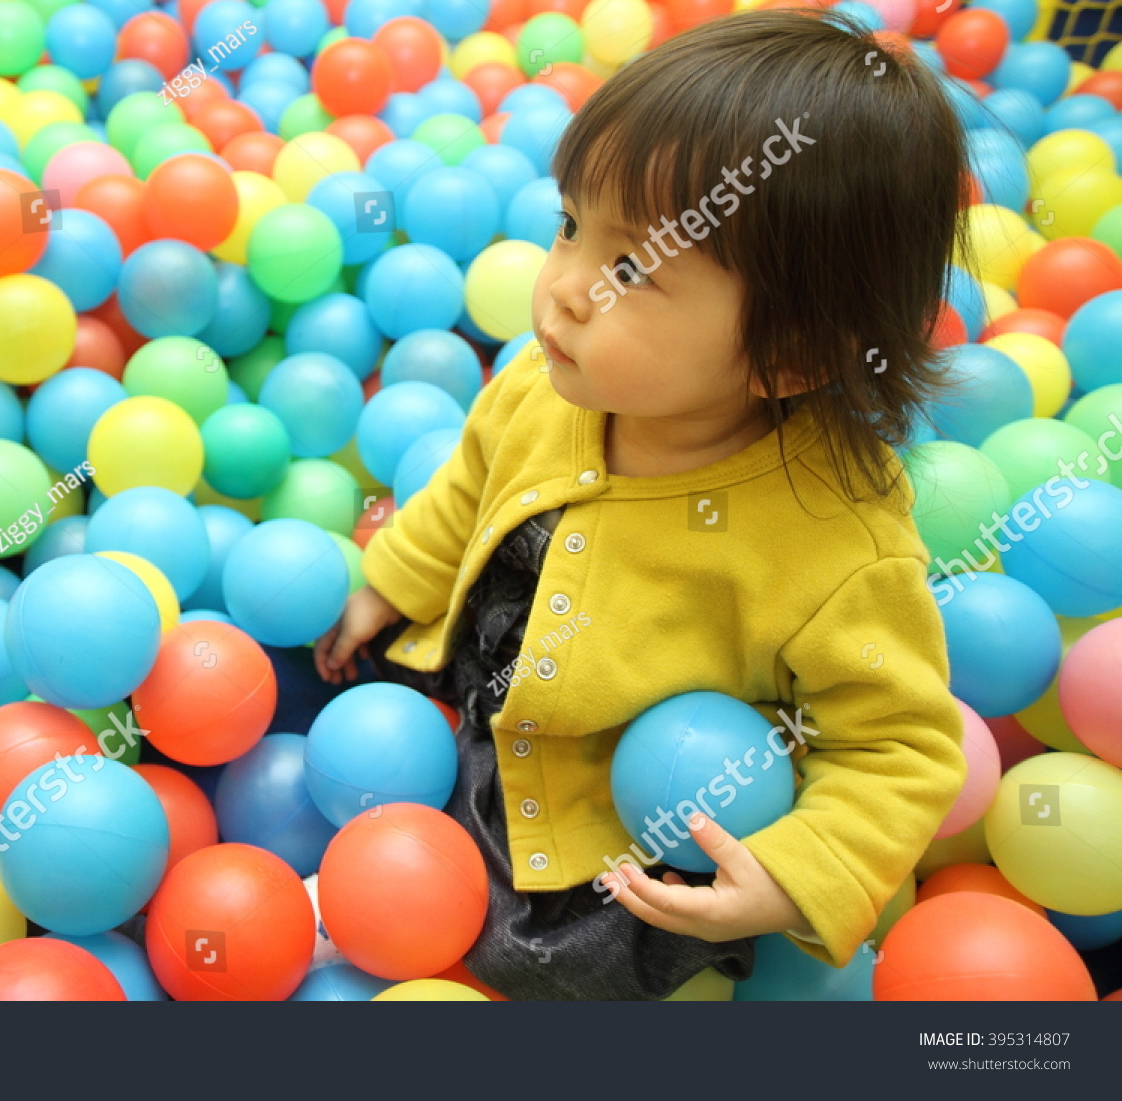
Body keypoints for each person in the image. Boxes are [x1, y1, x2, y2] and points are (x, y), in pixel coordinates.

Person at [312, 8, 970, 1000]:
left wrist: (798, 874)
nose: (565, 290)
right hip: (481, 702)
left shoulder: (834, 537)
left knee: (558, 966)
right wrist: (395, 579)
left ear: (789, 354)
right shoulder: (551, 382)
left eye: (629, 271)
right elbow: (466, 484)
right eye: (570, 225)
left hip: (598, 828)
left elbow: (897, 746)